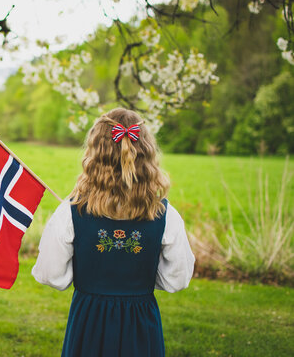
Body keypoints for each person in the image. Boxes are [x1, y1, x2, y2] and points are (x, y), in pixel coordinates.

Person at [32, 108, 195, 357]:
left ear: (95, 154)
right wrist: (138, 281)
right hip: (140, 321)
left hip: (89, 320)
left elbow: (50, 274)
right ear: (147, 153)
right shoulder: (166, 214)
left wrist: (88, 272)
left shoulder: (71, 211)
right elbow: (177, 278)